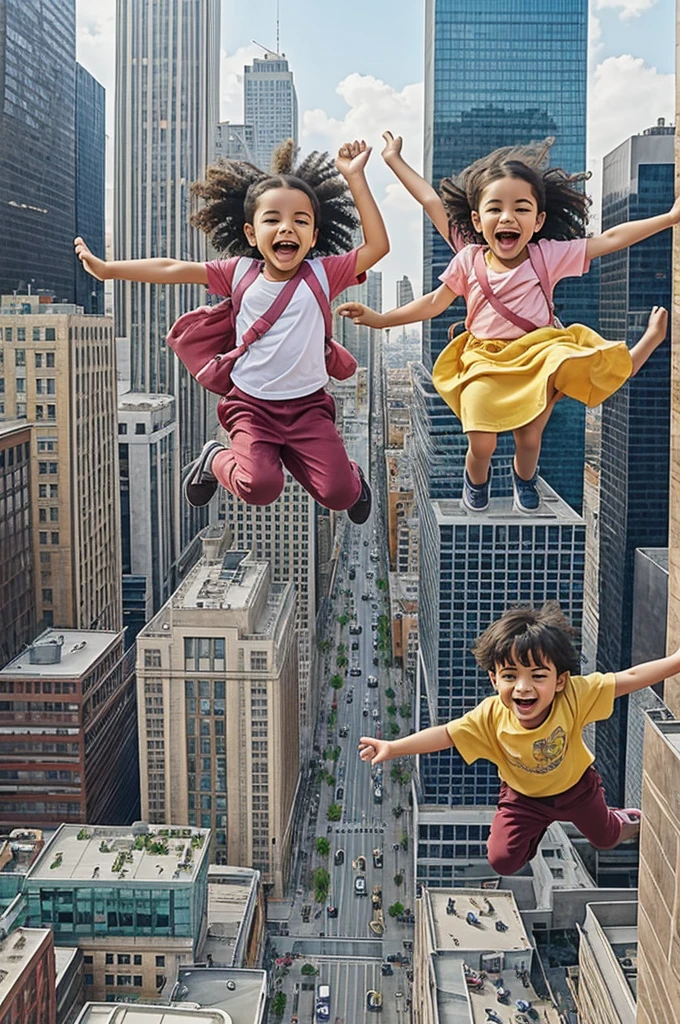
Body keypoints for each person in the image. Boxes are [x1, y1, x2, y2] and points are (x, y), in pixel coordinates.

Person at [339, 134, 677, 513]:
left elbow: (610, 239)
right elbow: (434, 290)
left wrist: (668, 218)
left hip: (537, 354)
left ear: (538, 220)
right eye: (495, 208)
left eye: (521, 208)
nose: (507, 217)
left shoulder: (546, 256)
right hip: (484, 359)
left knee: (529, 439)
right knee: (481, 441)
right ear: (477, 220)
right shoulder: (468, 258)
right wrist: (393, 159)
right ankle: (476, 480)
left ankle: (525, 479)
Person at [74, 139, 388, 523]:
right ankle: (215, 457)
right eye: (272, 219)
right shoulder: (239, 272)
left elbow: (378, 246)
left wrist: (354, 176)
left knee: (340, 494)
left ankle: (345, 478)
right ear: (252, 233)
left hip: (308, 407)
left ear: (314, 235)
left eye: (300, 221)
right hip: (252, 407)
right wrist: (109, 270)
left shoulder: (324, 274)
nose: (286, 227)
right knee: (260, 487)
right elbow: (173, 268)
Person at [358, 603, 680, 875]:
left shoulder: (575, 696)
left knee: (606, 837)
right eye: (510, 676)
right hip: (523, 798)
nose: (523, 687)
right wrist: (393, 747)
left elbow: (629, 678)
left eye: (538, 676)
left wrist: (675, 662)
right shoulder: (490, 715)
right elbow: (445, 734)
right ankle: (536, 830)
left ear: (559, 681)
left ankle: (627, 819)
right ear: (494, 678)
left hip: (576, 789)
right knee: (502, 861)